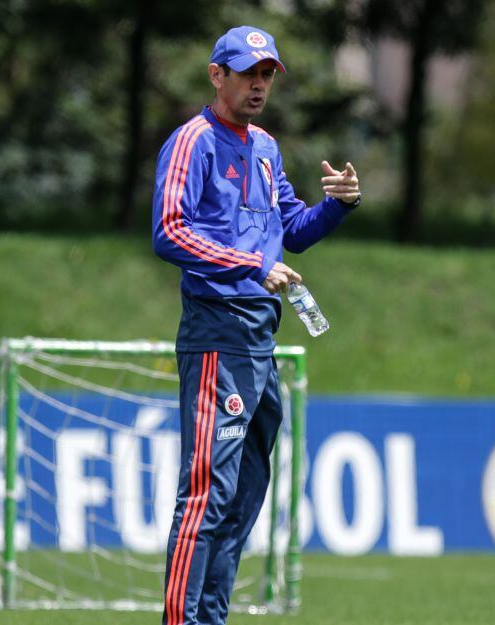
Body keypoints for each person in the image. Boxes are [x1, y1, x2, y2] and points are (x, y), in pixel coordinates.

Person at [151, 25, 360, 625]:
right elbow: (169, 231)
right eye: (248, 72)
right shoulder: (192, 142)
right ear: (217, 75)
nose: (259, 84)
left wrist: (339, 206)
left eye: (267, 74)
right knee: (207, 495)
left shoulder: (265, 148)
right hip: (218, 335)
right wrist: (251, 263)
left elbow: (291, 229)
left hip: (260, 343)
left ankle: (210, 617)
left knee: (243, 495)